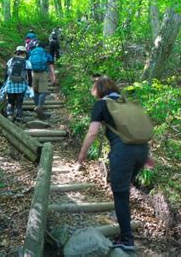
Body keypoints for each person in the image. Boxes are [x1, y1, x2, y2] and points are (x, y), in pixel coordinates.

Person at [76, 76, 148, 250]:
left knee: (120, 195)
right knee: (124, 187)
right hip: (142, 150)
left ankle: (126, 240)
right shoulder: (127, 103)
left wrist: (81, 155)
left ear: (99, 90)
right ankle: (120, 216)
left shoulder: (101, 104)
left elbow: (93, 132)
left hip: (123, 153)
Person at [4, 46, 32, 122]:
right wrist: (30, 85)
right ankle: (18, 117)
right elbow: (29, 75)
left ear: (16, 52)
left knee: (10, 102)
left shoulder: (10, 60)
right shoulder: (27, 62)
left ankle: (10, 115)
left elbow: (6, 73)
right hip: (21, 85)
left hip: (10, 84)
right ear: (25, 53)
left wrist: (5, 83)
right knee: (19, 103)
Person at [28, 43, 56, 118]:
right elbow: (51, 67)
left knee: (36, 92)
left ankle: (38, 108)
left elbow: (28, 65)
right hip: (43, 73)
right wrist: (53, 77)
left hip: (33, 74)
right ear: (44, 48)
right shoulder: (46, 54)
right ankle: (39, 107)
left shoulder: (32, 53)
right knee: (43, 91)